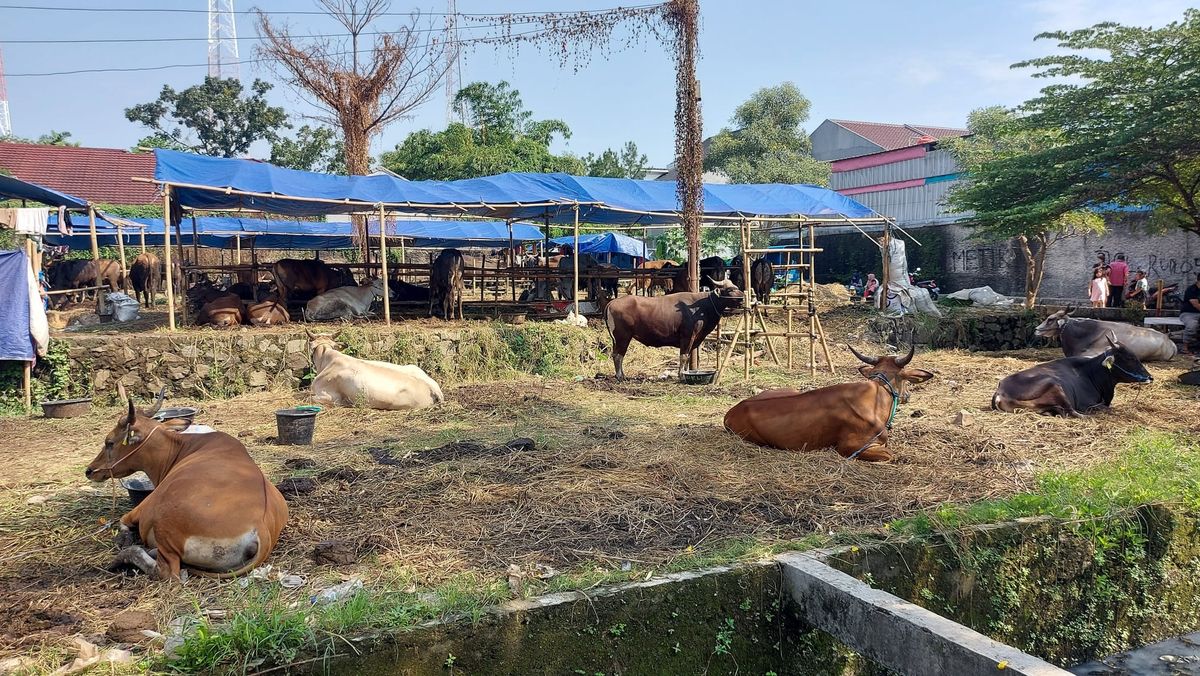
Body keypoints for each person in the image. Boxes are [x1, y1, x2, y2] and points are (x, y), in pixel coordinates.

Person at [1182, 272, 1200, 355]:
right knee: (1192, 325)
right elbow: (1196, 305)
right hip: (1189, 313)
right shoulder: (1191, 290)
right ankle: (1185, 347)